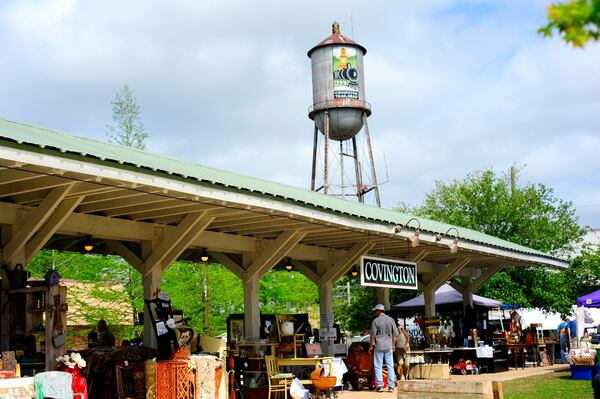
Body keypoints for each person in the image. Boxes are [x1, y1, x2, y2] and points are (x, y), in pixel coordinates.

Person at [368, 304, 399, 392]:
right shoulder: (391, 320)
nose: (374, 312)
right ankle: (391, 386)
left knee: (378, 365)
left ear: (379, 311)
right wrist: (393, 345)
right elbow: (395, 335)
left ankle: (380, 385)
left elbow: (372, 336)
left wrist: (370, 346)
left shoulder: (376, 321)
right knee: (390, 366)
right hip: (389, 345)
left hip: (379, 346)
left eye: (375, 311)